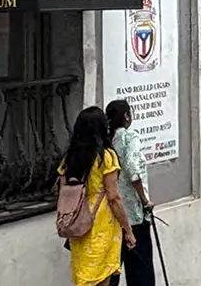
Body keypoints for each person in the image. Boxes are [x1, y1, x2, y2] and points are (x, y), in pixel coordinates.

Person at [61, 107, 137, 286]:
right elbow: (113, 197)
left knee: (85, 276)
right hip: (102, 224)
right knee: (103, 278)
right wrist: (127, 229)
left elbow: (64, 192)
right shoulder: (106, 157)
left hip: (78, 225)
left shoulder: (68, 159)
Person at [108, 100, 156, 286]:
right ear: (126, 116)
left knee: (113, 269)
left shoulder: (107, 139)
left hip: (114, 216)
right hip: (134, 214)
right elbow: (133, 170)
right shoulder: (130, 137)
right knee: (140, 269)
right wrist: (145, 200)